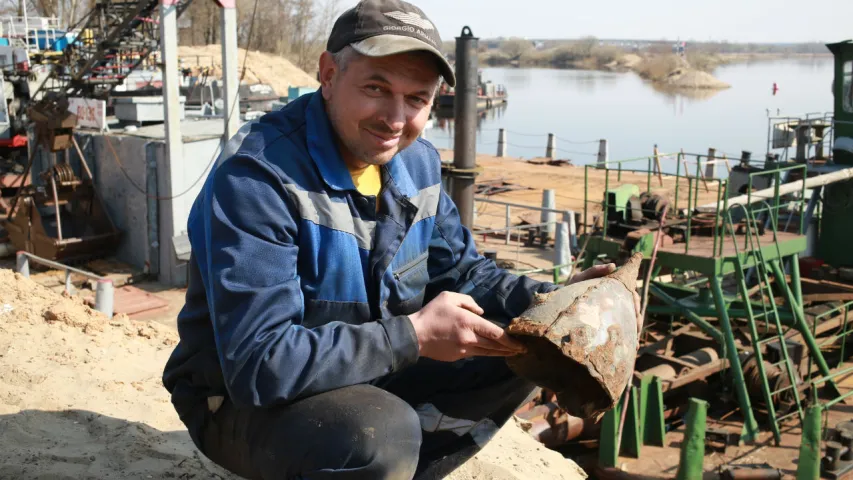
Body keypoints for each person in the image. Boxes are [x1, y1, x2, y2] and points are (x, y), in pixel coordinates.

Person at [162, 1, 632, 478]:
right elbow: (260, 365)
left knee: (520, 350)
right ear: (327, 73)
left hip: (367, 368)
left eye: (417, 99)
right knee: (380, 435)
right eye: (375, 88)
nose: (395, 117)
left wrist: (553, 300)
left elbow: (465, 273)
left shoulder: (418, 164)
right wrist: (414, 335)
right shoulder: (259, 180)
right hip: (238, 401)